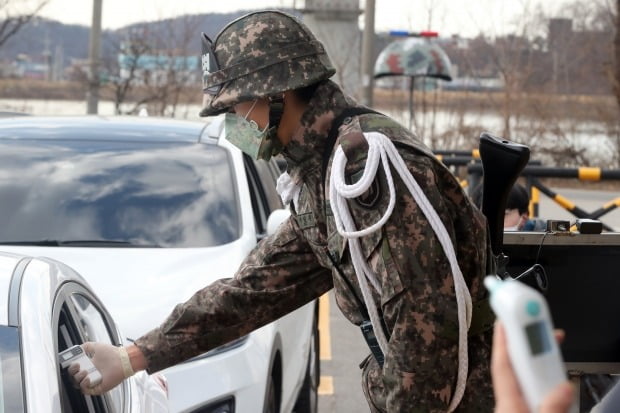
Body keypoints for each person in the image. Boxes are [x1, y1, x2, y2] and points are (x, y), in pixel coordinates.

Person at [70, 10, 496, 412]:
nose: (234, 118)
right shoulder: (323, 171)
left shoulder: (366, 168)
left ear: (276, 95)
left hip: (463, 396)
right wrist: (134, 357)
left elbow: (422, 329)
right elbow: (255, 290)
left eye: (235, 105)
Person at [472, 183, 546, 231]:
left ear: (524, 216)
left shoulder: (548, 241)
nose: (492, 222)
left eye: (502, 215)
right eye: (485, 215)